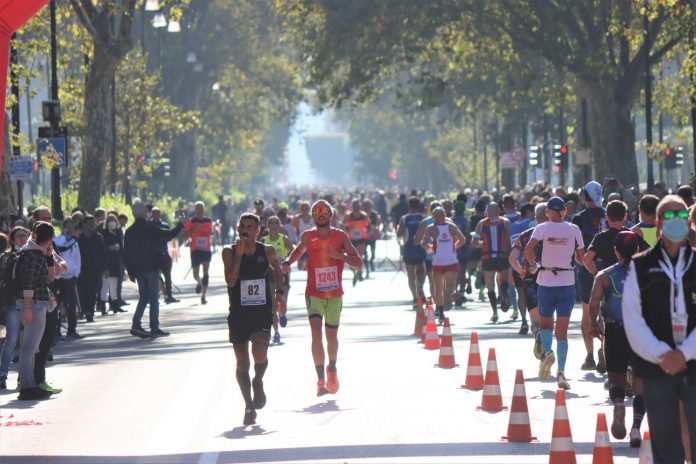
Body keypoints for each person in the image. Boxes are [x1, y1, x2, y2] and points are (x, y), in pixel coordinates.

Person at [622, 195, 696, 462]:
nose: (675, 222)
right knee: (666, 446)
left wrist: (684, 353)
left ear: (688, 223)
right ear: (658, 223)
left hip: (693, 365)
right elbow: (632, 319)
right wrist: (662, 354)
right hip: (656, 369)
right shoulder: (640, 265)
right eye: (669, 216)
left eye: (680, 216)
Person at [281, 200, 362, 396]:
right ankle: (320, 379)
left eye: (324, 211)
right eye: (317, 211)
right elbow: (298, 251)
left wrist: (340, 255)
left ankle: (332, 369)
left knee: (331, 336)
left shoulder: (340, 236)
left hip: (334, 295)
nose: (321, 214)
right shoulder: (308, 236)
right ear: (313, 215)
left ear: (331, 215)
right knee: (316, 333)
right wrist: (287, 262)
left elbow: (358, 262)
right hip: (314, 293)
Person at [222, 213, 284, 425]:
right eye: (242, 226)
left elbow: (278, 271)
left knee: (259, 355)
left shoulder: (266, 250)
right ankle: (248, 405)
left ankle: (258, 380)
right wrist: (239, 256)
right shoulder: (229, 252)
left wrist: (279, 294)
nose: (245, 230)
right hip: (238, 313)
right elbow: (230, 281)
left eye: (250, 227)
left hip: (261, 312)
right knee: (242, 361)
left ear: (258, 231)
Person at [589, 231, 645, 448]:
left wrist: (594, 326)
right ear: (638, 249)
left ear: (616, 251)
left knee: (615, 379)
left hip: (614, 331)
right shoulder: (648, 274)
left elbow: (594, 304)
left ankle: (619, 404)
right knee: (641, 383)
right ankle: (636, 429)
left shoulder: (604, 276)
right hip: (641, 333)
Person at [525, 197, 585, 390]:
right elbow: (582, 258)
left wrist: (534, 265)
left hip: (545, 281)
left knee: (545, 325)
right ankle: (561, 373)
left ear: (548, 213)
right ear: (565, 211)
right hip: (567, 282)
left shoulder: (541, 228)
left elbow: (528, 250)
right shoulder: (574, 230)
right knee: (562, 332)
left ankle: (548, 352)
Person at [123, 201, 183, 338]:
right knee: (153, 298)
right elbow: (167, 235)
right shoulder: (150, 228)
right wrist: (180, 225)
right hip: (150, 267)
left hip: (138, 269)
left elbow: (126, 254)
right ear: (143, 213)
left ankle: (136, 324)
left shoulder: (130, 231)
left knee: (144, 297)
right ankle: (154, 327)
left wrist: (130, 271)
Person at [16, 222, 57, 400]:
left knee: (32, 347)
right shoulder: (33, 255)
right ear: (50, 239)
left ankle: (30, 383)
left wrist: (49, 256)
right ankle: (27, 386)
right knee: (29, 348)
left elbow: (49, 277)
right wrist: (27, 308)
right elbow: (29, 282)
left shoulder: (33, 252)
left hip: (35, 303)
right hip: (32, 304)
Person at [572, 181, 607, 371]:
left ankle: (590, 355)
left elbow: (575, 247)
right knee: (606, 310)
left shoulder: (578, 218)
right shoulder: (608, 214)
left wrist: (583, 264)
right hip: (609, 269)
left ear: (585, 197)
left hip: (586, 268)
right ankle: (605, 349)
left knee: (586, 311)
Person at [420, 207, 466, 323]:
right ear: (445, 215)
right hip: (451, 260)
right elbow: (463, 239)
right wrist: (454, 246)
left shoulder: (431, 228)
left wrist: (429, 248)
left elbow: (423, 243)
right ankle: (450, 294)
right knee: (449, 286)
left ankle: (440, 312)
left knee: (438, 288)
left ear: (433, 217)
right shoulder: (451, 226)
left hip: (437, 261)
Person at [509, 202, 547, 338]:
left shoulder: (525, 235)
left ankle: (537, 332)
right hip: (551, 278)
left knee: (535, 319)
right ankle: (547, 345)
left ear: (535, 218)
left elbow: (512, 259)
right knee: (548, 318)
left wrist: (522, 272)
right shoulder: (557, 235)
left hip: (530, 279)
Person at [473, 202, 511, 322]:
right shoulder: (506, 221)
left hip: (487, 257)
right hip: (502, 256)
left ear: (487, 211)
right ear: (498, 211)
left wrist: (483, 244)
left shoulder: (481, 223)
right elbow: (510, 240)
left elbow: (474, 242)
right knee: (503, 281)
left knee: (490, 286)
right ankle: (504, 293)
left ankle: (495, 312)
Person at [262, 216, 294, 342]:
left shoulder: (284, 239)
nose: (274, 225)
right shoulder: (264, 240)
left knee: (282, 300)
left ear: (280, 225)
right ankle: (276, 332)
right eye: (271, 223)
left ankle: (283, 314)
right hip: (270, 273)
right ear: (268, 226)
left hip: (283, 273)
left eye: (276, 223)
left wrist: (285, 260)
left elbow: (293, 250)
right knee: (272, 304)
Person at [396, 196, 427, 308]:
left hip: (408, 248)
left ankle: (415, 298)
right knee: (421, 270)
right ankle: (420, 288)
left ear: (409, 206)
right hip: (420, 248)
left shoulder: (404, 219)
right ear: (419, 206)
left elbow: (399, 234)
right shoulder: (423, 217)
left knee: (411, 275)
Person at [54, 219, 82, 338]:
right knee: (58, 304)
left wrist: (76, 271)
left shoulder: (74, 243)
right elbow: (61, 248)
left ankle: (72, 330)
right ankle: (57, 331)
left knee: (72, 304)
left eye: (72, 227)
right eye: (68, 227)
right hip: (60, 277)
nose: (70, 230)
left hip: (71, 276)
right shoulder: (57, 240)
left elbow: (77, 258)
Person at [183, 201, 214, 305]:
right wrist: (192, 231)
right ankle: (199, 283)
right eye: (197, 208)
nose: (199, 210)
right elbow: (184, 236)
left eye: (201, 208)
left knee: (206, 273)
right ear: (195, 210)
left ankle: (203, 296)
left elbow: (211, 232)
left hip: (206, 250)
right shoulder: (191, 222)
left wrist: (211, 232)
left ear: (204, 209)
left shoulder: (208, 220)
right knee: (195, 275)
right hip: (195, 250)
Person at [77, 215, 107, 321]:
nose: (91, 225)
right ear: (84, 224)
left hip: (96, 269)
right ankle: (84, 309)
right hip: (82, 270)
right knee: (83, 291)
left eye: (92, 223)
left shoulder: (98, 237)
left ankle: (90, 311)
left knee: (93, 291)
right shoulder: (79, 238)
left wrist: (105, 268)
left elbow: (103, 253)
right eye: (89, 223)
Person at [150, 208, 178, 304]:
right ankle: (161, 292)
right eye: (154, 213)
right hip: (153, 254)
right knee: (156, 275)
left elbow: (169, 236)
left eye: (157, 213)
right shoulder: (149, 225)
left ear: (160, 214)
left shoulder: (164, 225)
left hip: (164, 253)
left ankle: (169, 295)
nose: (156, 215)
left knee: (168, 275)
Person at [99, 213, 126, 314]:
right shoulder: (103, 233)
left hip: (116, 262)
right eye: (109, 220)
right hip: (106, 262)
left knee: (114, 284)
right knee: (105, 285)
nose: (112, 222)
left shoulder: (118, 232)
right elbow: (101, 248)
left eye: (113, 220)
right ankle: (102, 306)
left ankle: (115, 305)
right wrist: (110, 248)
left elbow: (122, 247)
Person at [342, 199, 369, 286]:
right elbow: (343, 226)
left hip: (361, 238)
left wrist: (367, 232)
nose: (356, 207)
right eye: (354, 205)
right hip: (351, 239)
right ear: (352, 206)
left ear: (359, 206)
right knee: (351, 258)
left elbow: (368, 225)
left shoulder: (363, 215)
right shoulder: (348, 216)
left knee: (360, 256)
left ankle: (359, 272)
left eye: (357, 205)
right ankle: (355, 274)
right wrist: (348, 229)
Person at [362, 199, 382, 277]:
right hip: (364, 236)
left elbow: (379, 223)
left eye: (369, 205)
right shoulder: (362, 214)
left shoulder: (374, 214)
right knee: (364, 254)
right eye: (366, 205)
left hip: (373, 236)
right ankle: (367, 270)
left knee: (373, 251)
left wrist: (378, 228)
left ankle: (371, 261)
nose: (367, 207)